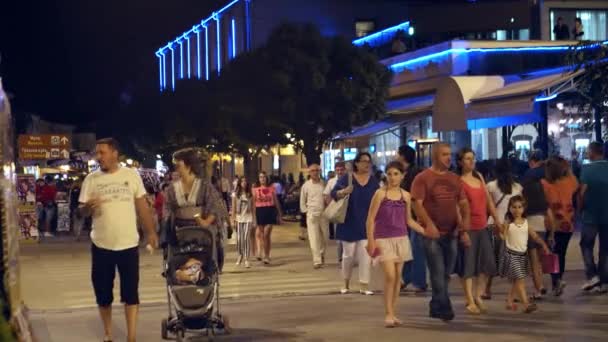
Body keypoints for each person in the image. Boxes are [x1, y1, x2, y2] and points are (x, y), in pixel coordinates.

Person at [78, 138, 159, 342]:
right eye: (97, 153)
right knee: (103, 294)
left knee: (131, 293)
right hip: (101, 244)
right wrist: (87, 207)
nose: (99, 157)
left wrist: (151, 232)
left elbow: (142, 207)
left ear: (115, 153)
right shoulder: (91, 179)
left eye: (102, 152)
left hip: (128, 244)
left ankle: (131, 337)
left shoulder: (131, 176)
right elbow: (81, 212)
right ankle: (108, 334)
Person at [410, 142, 470, 321]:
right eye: (444, 154)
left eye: (449, 154)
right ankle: (445, 308)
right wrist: (428, 224)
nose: (448, 157)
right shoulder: (422, 178)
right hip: (432, 235)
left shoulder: (454, 178)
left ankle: (436, 304)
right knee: (437, 271)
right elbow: (416, 204)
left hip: (451, 232)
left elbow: (463, 203)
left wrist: (464, 225)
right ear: (435, 156)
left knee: (446, 272)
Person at [366, 161, 428, 327]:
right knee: (390, 276)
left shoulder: (406, 196)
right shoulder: (380, 194)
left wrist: (425, 231)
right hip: (383, 239)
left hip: (401, 239)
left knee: (397, 279)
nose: (392, 177)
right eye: (390, 173)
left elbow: (408, 220)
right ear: (386, 175)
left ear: (402, 175)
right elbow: (370, 219)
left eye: (396, 174)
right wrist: (371, 241)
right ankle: (388, 314)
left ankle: (393, 313)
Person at [163, 149, 228, 271]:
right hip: (180, 231)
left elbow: (214, 206)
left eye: (179, 165)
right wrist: (169, 220)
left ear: (189, 166)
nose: (176, 169)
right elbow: (167, 209)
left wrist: (206, 222)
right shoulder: (171, 189)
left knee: (207, 251)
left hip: (202, 231)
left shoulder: (205, 186)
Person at [456, 147, 501, 315]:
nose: (471, 161)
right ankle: (469, 299)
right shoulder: (459, 181)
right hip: (469, 227)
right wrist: (462, 230)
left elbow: (489, 201)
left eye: (472, 158)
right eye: (467, 158)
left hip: (483, 226)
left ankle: (478, 295)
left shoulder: (479, 177)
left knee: (487, 264)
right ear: (460, 162)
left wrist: (496, 220)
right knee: (468, 265)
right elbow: (458, 208)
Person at [332, 152, 380, 295]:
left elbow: (378, 199)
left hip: (366, 223)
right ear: (357, 163)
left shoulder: (373, 181)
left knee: (365, 255)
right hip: (348, 222)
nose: (366, 164)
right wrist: (344, 191)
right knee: (348, 255)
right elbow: (334, 194)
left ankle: (364, 285)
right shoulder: (347, 178)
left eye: (368, 162)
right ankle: (345, 282)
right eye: (364, 161)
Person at [499, 195, 551, 313]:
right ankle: (526, 304)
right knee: (520, 279)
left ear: (524, 208)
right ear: (509, 208)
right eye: (514, 207)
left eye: (519, 207)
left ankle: (509, 301)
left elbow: (535, 236)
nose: (517, 210)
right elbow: (503, 237)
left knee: (517, 280)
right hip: (511, 255)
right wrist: (500, 232)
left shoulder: (525, 223)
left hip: (522, 256)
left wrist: (544, 245)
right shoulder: (508, 223)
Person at [482, 158, 522, 299]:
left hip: (494, 224)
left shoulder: (491, 186)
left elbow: (488, 207)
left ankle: (486, 289)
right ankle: (515, 292)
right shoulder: (518, 187)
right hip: (512, 226)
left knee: (491, 258)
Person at [542, 155, 579, 297]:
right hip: (567, 224)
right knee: (561, 253)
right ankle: (558, 280)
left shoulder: (544, 184)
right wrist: (567, 167)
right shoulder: (569, 182)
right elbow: (575, 180)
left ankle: (556, 281)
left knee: (551, 254)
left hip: (551, 225)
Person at [521, 150, 554, 299]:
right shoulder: (542, 193)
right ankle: (547, 283)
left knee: (534, 260)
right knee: (541, 259)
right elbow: (550, 214)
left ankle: (539, 287)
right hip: (542, 225)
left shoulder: (526, 185)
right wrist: (552, 233)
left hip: (530, 223)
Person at [578, 142, 608, 293]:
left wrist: (580, 208)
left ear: (592, 152)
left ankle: (592, 276)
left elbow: (582, 192)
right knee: (605, 249)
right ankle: (604, 281)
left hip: (590, 216)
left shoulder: (587, 169)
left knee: (586, 245)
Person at [397, 145, 426, 293]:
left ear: (402, 156)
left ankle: (419, 281)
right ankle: (406, 278)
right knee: (406, 249)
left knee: (417, 249)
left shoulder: (416, 173)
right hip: (405, 217)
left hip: (415, 217)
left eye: (397, 154)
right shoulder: (405, 173)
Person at [300, 164, 328, 269]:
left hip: (323, 214)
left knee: (325, 237)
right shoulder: (306, 186)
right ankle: (317, 260)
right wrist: (306, 211)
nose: (315, 172)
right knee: (314, 238)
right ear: (309, 172)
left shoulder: (324, 184)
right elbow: (302, 201)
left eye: (317, 170)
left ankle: (321, 253)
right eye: (313, 170)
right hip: (312, 214)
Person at [252, 171, 283, 265]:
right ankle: (264, 254)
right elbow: (253, 203)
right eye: (261, 177)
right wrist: (254, 216)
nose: (262, 179)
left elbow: (275, 200)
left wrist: (279, 213)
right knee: (262, 235)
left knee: (267, 234)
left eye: (264, 177)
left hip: (270, 210)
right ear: (259, 179)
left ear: (267, 178)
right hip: (260, 211)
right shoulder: (255, 189)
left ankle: (267, 255)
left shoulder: (271, 188)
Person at [324, 162, 347, 265]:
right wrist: (331, 206)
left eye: (341, 170)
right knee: (338, 237)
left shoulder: (350, 181)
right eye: (337, 170)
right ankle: (340, 258)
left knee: (347, 237)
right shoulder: (332, 182)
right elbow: (326, 195)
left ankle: (347, 257)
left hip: (347, 211)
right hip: (337, 212)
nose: (339, 172)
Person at [232, 177, 255, 268]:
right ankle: (240, 255)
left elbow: (253, 207)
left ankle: (246, 258)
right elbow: (233, 208)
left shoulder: (250, 194)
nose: (244, 183)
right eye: (242, 181)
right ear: (239, 183)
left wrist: (254, 219)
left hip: (248, 218)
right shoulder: (235, 194)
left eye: (245, 181)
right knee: (239, 239)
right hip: (238, 218)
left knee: (246, 238)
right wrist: (232, 220)